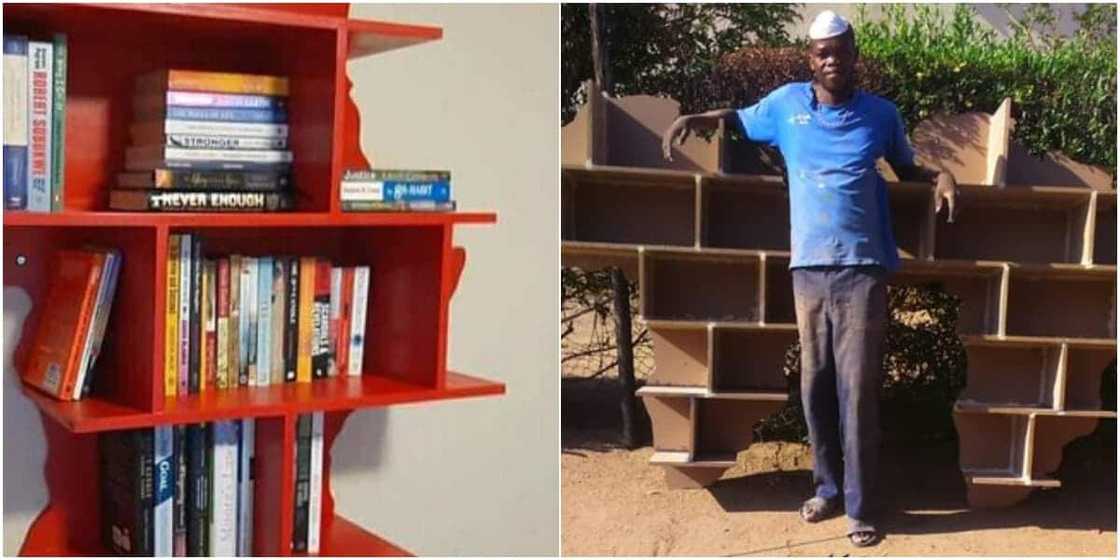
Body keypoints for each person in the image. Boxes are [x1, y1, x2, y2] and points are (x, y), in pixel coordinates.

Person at [661, 10, 957, 548]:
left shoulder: (881, 115)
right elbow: (739, 118)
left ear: (853, 55)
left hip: (863, 271)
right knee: (815, 387)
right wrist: (697, 117)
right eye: (822, 52)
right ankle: (827, 488)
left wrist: (944, 175)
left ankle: (862, 508)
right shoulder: (785, 105)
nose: (831, 60)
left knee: (859, 391)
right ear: (810, 59)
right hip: (808, 271)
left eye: (840, 51)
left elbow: (907, 168)